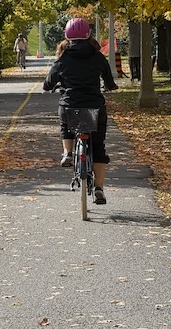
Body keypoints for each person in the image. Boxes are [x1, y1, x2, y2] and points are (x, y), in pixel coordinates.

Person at [43, 18, 118, 205]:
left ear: (67, 37)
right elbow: (109, 81)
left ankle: (68, 153)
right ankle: (99, 188)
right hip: (95, 106)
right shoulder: (97, 57)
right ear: (88, 35)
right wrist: (111, 86)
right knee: (98, 146)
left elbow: (48, 82)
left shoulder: (63, 58)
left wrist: (49, 86)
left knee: (66, 125)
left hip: (71, 105)